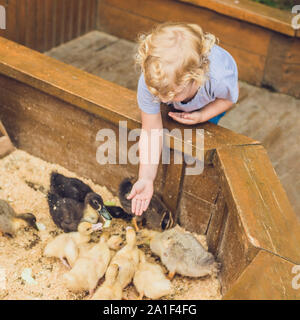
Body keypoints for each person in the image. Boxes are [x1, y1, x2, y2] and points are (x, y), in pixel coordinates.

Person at [127, 22, 239, 215]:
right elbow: (151, 129)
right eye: (159, 94)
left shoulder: (219, 80)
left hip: (211, 102)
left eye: (171, 94)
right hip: (185, 91)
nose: (162, 99)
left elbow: (228, 100)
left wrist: (203, 115)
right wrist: (146, 177)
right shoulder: (151, 80)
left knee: (199, 138)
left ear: (195, 77)